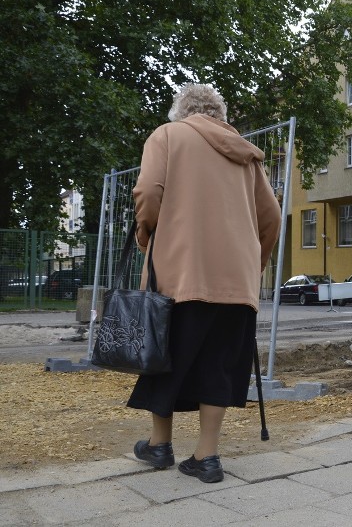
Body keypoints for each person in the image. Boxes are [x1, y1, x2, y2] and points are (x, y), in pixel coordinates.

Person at [128, 84, 281, 483]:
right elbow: (272, 218)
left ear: (181, 113)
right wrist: (254, 264)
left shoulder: (167, 136)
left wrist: (148, 237)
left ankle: (160, 445)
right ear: (219, 114)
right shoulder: (247, 154)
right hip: (237, 281)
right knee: (219, 364)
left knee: (163, 357)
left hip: (179, 272)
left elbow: (147, 191)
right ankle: (207, 457)